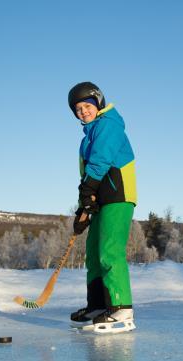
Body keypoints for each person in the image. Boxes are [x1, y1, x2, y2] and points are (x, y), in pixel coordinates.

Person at [68, 82, 137, 333]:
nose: (83, 111)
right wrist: (83, 207)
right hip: (99, 198)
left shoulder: (109, 124)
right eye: (78, 109)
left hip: (118, 195)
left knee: (109, 251)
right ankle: (98, 305)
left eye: (87, 105)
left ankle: (121, 307)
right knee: (94, 254)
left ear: (98, 102)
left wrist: (87, 193)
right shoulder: (88, 136)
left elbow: (100, 162)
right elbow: (87, 175)